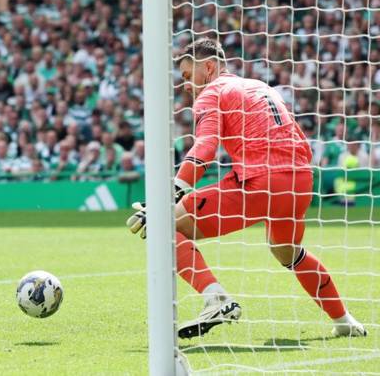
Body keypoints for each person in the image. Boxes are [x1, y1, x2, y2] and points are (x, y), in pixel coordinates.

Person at [127, 38, 367, 339]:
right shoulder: (259, 86)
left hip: (260, 180)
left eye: (188, 76)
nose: (186, 85)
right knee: (288, 253)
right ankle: (344, 320)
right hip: (300, 182)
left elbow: (205, 147)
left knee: (163, 226)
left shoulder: (211, 92)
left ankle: (216, 298)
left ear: (210, 67)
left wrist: (169, 194)